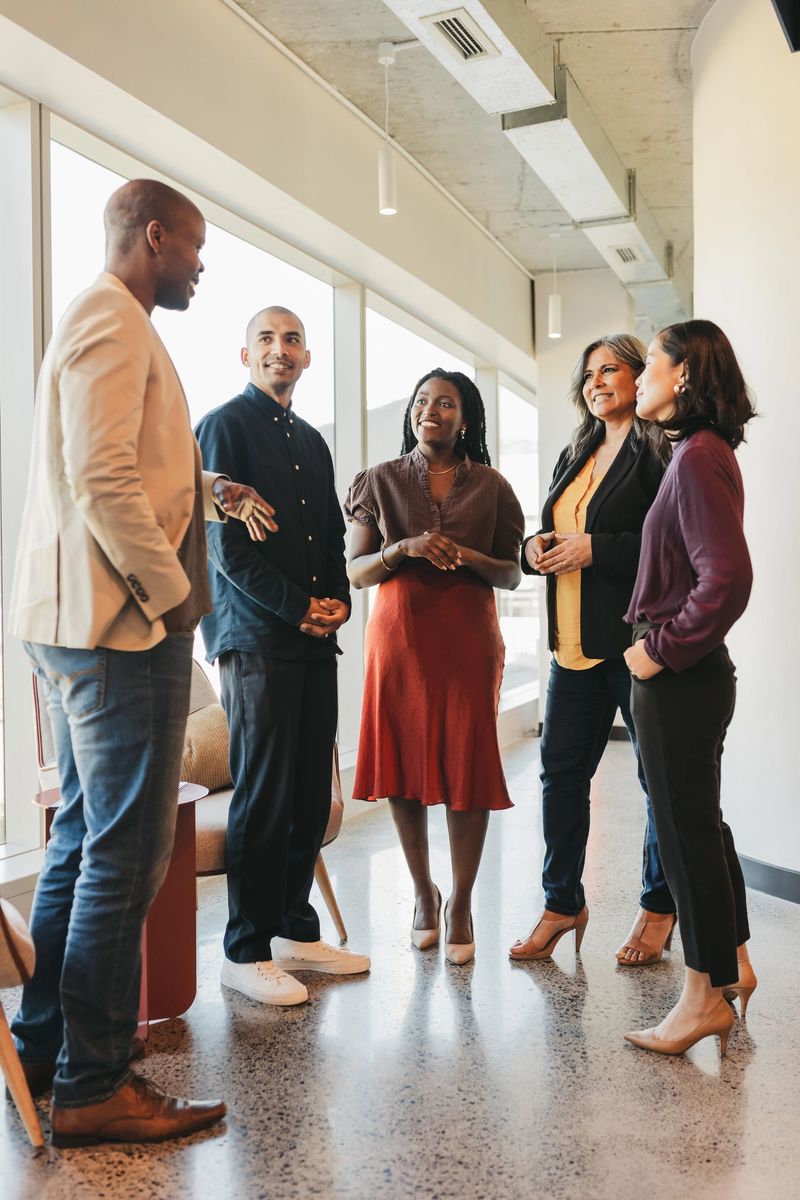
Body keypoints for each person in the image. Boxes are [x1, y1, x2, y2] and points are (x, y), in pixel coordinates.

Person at [9, 179, 277, 1146]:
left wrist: (201, 484)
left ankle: (43, 1053)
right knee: (127, 854)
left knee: (85, 841)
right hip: (119, 629)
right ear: (152, 237)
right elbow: (101, 477)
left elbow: (119, 461)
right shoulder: (111, 319)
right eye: (194, 248)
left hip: (81, 622)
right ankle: (94, 1083)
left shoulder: (105, 321)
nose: (202, 265)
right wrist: (171, 605)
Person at [195, 306, 370, 1008]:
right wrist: (297, 607)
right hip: (255, 639)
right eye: (265, 339)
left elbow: (330, 533)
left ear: (305, 356)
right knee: (264, 792)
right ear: (246, 356)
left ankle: (295, 931)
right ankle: (244, 949)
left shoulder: (310, 440)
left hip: (312, 638)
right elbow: (225, 548)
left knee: (306, 792)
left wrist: (337, 603)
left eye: (291, 339)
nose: (279, 349)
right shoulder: (222, 426)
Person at [346, 369, 524, 965]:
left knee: (466, 768)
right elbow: (356, 570)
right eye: (421, 400)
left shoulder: (494, 487)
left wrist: (470, 555)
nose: (430, 409)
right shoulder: (380, 480)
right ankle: (424, 893)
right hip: (399, 641)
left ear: (464, 418)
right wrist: (403, 548)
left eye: (444, 403)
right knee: (401, 765)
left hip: (468, 642)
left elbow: (510, 573)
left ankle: (463, 901)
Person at [508, 334, 676, 964]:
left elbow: (674, 543)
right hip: (571, 648)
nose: (596, 382)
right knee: (559, 779)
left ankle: (659, 907)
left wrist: (596, 548)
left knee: (655, 780)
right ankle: (561, 904)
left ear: (640, 376)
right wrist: (535, 548)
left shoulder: (660, 451)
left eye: (610, 370)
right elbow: (556, 526)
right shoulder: (577, 449)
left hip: (633, 645)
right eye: (588, 375)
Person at [622, 319, 756, 1057]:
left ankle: (703, 997)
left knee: (684, 839)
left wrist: (660, 651)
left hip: (680, 678)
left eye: (649, 366)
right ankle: (732, 964)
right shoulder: (699, 453)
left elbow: (727, 579)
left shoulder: (698, 458)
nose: (639, 378)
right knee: (699, 830)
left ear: (681, 377)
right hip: (690, 678)